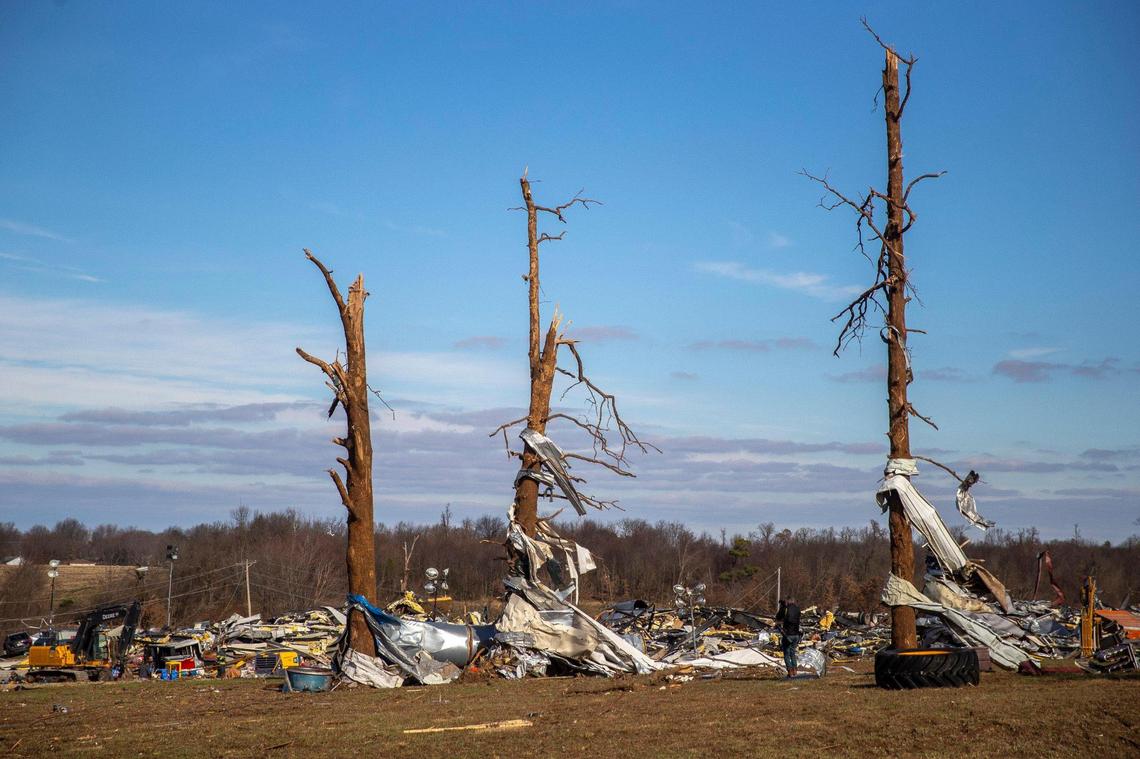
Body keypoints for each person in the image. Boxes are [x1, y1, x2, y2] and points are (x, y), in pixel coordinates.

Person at [775, 596, 802, 678]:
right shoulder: (798, 609)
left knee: (786, 653)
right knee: (792, 652)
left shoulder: (786, 609)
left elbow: (778, 617)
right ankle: (795, 670)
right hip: (796, 635)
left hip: (788, 635)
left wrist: (782, 606)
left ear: (788, 601)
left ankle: (790, 671)